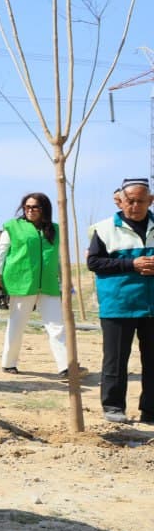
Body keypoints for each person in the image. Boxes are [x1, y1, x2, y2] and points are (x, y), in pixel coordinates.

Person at [87, 178, 154, 424]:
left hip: (152, 307)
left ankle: (150, 411)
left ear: (150, 201)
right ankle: (114, 407)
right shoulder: (104, 229)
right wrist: (131, 264)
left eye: (140, 201)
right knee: (115, 360)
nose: (134, 206)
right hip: (119, 305)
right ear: (121, 201)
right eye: (130, 201)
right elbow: (94, 262)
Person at [0, 192, 71, 379]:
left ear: (44, 209)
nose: (30, 210)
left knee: (57, 326)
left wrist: (65, 279)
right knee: (17, 325)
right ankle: (9, 363)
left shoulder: (55, 229)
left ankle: (66, 366)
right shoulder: (13, 227)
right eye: (27, 207)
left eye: (34, 207)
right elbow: (1, 253)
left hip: (49, 283)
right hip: (21, 282)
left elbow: (58, 258)